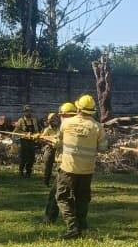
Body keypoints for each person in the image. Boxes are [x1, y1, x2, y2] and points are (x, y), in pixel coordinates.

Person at [54, 95, 107, 239]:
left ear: (78, 108)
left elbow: (58, 143)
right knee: (82, 198)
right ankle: (82, 225)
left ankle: (73, 227)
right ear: (92, 110)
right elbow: (103, 148)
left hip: (68, 169)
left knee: (63, 197)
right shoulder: (97, 127)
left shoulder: (66, 123)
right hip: (87, 170)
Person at [40, 105, 71, 224]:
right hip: (50, 149)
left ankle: (50, 219)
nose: (55, 120)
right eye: (52, 119)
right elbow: (43, 139)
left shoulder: (63, 127)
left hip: (62, 156)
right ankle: (46, 180)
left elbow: (59, 142)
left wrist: (54, 141)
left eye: (56, 118)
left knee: (57, 193)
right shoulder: (48, 129)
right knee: (47, 166)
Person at [12, 105, 40, 177]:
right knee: (24, 157)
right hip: (24, 141)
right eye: (27, 111)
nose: (28, 113)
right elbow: (15, 132)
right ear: (24, 112)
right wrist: (25, 134)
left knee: (31, 157)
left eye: (29, 111)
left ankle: (28, 172)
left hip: (32, 141)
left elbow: (37, 130)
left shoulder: (34, 120)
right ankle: (21, 171)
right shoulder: (21, 120)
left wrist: (37, 135)